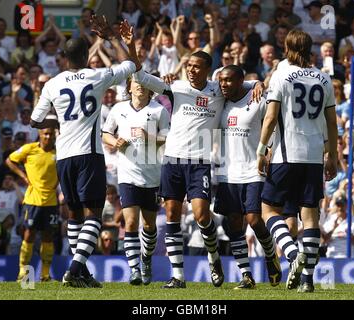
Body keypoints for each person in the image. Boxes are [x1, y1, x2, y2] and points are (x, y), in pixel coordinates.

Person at [132, 46, 264, 288]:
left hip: (199, 162)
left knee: (203, 215)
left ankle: (213, 256)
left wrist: (256, 84)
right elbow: (141, 77)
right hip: (172, 159)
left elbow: (240, 83)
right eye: (188, 66)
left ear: (208, 71)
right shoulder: (176, 87)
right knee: (172, 214)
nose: (191, 70)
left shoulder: (217, 89)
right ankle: (178, 276)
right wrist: (131, 47)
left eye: (196, 66)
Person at [30, 16, 139, 288]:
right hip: (89, 153)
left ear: (64, 58)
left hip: (63, 156)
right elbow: (134, 65)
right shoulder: (97, 74)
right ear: (86, 55)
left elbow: (34, 120)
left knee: (75, 215)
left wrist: (61, 122)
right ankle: (75, 267)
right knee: (94, 212)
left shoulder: (52, 84)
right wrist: (115, 39)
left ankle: (82, 272)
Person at [257, 29, 338, 293]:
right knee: (310, 216)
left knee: (268, 210)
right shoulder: (324, 79)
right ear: (310, 49)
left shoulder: (281, 76)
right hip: (314, 156)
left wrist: (261, 150)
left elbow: (270, 118)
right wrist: (333, 156)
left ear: (287, 47)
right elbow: (332, 122)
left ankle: (293, 255)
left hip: (285, 154)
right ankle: (308, 281)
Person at [214, 65, 281, 289]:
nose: (224, 84)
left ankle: (271, 256)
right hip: (227, 173)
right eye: (221, 80)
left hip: (254, 169)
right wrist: (256, 82)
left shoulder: (257, 99)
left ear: (241, 81)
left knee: (254, 219)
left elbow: (273, 122)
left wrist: (269, 149)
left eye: (229, 80)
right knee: (234, 223)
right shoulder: (220, 100)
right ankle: (246, 275)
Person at [102, 77, 170, 285]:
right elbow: (105, 133)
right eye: (135, 82)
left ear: (151, 90)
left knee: (149, 226)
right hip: (127, 173)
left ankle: (146, 258)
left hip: (152, 175)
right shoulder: (118, 109)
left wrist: (150, 137)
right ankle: (134, 270)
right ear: (129, 87)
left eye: (144, 83)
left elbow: (168, 137)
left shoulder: (159, 110)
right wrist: (115, 142)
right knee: (130, 222)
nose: (140, 85)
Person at [6, 127, 58, 281]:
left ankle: (45, 275)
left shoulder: (59, 152)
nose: (48, 137)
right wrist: (23, 176)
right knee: (29, 235)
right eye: (45, 134)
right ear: (40, 135)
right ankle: (23, 273)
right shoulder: (30, 149)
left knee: (48, 237)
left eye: (50, 134)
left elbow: (64, 170)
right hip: (32, 200)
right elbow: (10, 160)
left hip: (51, 201)